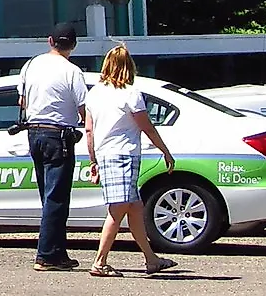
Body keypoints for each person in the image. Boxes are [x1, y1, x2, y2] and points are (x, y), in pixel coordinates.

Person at [84, 44, 178, 277]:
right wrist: (165, 151)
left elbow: (89, 130)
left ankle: (151, 259)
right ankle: (99, 262)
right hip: (123, 155)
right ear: (129, 67)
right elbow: (147, 126)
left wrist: (93, 160)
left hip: (106, 154)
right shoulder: (130, 94)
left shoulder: (94, 93)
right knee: (118, 210)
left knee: (135, 208)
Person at [19, 23, 89, 272]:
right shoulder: (72, 71)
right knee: (57, 197)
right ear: (73, 45)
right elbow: (84, 108)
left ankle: (58, 252)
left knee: (48, 196)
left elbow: (22, 100)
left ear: (50, 41)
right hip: (58, 135)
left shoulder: (31, 65)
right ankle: (46, 254)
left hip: (34, 132)